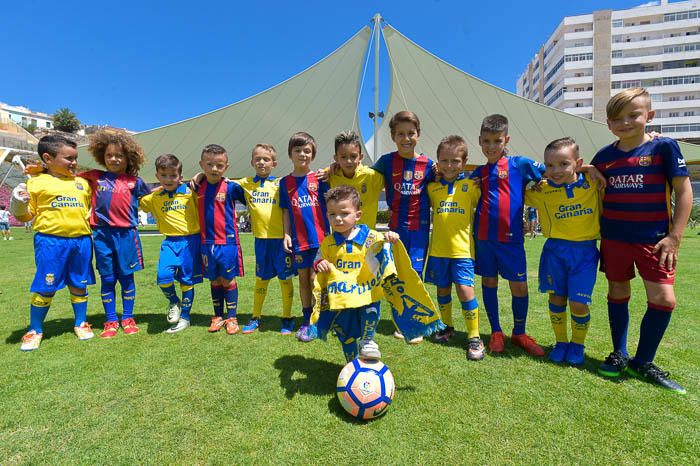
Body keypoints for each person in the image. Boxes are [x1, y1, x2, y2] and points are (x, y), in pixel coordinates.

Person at [592, 87, 691, 393]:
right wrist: (585, 168)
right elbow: (585, 179)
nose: (625, 122)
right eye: (617, 118)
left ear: (649, 116)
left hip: (655, 240)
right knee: (618, 291)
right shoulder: (604, 157)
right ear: (608, 124)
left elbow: (683, 192)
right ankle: (619, 354)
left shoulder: (664, 147)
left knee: (664, 299)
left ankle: (643, 361)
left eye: (633, 115)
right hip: (615, 238)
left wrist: (675, 236)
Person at [469, 114, 547, 356]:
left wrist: (539, 185)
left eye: (497, 141)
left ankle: (520, 333)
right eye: (486, 141)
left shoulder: (520, 164)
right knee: (489, 282)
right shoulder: (479, 172)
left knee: (519, 287)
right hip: (484, 239)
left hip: (512, 240)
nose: (491, 147)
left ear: (506, 139)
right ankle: (496, 332)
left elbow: (552, 171)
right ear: (480, 140)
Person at [11, 135, 95, 351]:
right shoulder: (35, 182)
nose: (74, 163)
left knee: (79, 284)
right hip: (50, 242)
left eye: (75, 158)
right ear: (48, 158)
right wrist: (18, 204)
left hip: (81, 241)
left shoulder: (82, 184)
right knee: (46, 286)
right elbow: (24, 217)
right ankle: (35, 330)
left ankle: (81, 323)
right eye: (68, 158)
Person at [525, 137, 601, 365]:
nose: (555, 170)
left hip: (585, 252)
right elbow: (514, 189)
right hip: (554, 251)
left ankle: (577, 344)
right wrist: (534, 180)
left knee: (578, 303)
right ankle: (561, 342)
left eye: (563, 164)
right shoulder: (542, 190)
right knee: (556, 298)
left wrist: (591, 169)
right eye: (549, 165)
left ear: (578, 163)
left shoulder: (592, 182)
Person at [314, 185, 399, 361]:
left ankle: (368, 340)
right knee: (345, 334)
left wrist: (391, 237)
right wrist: (320, 263)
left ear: (357, 215)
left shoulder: (371, 237)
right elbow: (318, 258)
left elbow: (384, 244)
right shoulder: (328, 242)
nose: (337, 219)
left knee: (371, 308)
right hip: (343, 297)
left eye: (344, 213)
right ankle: (351, 365)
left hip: (365, 291)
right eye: (332, 214)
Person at [371, 111, 436, 344]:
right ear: (392, 136)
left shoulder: (429, 165)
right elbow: (363, 177)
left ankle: (415, 323)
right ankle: (401, 321)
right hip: (395, 229)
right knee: (396, 276)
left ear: (418, 134)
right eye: (401, 134)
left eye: (411, 133)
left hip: (419, 230)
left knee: (415, 275)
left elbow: (448, 179)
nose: (406, 138)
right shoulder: (386, 162)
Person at [83, 130, 151, 338]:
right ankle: (111, 320)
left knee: (127, 278)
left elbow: (154, 199)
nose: (114, 159)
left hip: (127, 237)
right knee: (108, 279)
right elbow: (67, 177)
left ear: (128, 157)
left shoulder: (135, 182)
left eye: (119, 155)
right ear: (102, 156)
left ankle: (128, 318)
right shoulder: (94, 177)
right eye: (109, 155)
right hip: (102, 236)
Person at [425, 135, 485, 360]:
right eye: (444, 160)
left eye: (455, 161)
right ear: (438, 162)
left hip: (462, 252)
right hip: (438, 251)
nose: (449, 165)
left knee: (464, 290)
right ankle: (447, 326)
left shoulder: (471, 186)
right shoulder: (432, 189)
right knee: (442, 290)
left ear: (464, 161)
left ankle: (474, 337)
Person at [232, 144, 296, 335]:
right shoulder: (244, 183)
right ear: (252, 162)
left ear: (274, 163)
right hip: (261, 241)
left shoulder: (281, 184)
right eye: (258, 158)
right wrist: (199, 176)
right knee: (261, 279)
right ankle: (256, 316)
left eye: (266, 159)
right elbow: (221, 181)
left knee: (285, 280)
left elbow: (287, 210)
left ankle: (287, 317)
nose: (261, 162)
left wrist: (288, 234)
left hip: (281, 241)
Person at [139, 154, 202, 333]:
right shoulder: (153, 198)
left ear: (180, 176)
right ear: (157, 176)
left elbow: (204, 184)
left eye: (173, 175)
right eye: (164, 175)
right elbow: (136, 200)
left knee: (186, 281)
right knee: (164, 277)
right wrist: (151, 191)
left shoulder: (191, 193)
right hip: (169, 242)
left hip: (190, 242)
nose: (168, 179)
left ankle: (185, 318)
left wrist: (200, 176)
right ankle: (174, 301)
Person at [279, 132, 329, 342]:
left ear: (313, 154)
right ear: (290, 154)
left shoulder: (320, 178)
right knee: (303, 279)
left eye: (306, 151)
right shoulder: (285, 182)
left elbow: (330, 206)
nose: (302, 154)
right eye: (298, 150)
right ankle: (306, 318)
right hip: (299, 240)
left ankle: (321, 318)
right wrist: (286, 234)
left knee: (315, 278)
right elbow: (285, 211)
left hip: (320, 239)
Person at [196, 144, 247, 335]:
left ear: (226, 167)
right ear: (201, 164)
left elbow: (251, 198)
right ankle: (217, 316)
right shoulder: (197, 186)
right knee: (214, 280)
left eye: (219, 165)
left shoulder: (232, 187)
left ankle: (232, 318)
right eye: (209, 164)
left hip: (227, 242)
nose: (214, 169)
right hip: (206, 243)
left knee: (227, 279)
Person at [327, 131, 385, 229]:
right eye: (343, 157)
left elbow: (394, 181)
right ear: (336, 158)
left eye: (353, 156)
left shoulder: (372, 176)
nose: (348, 161)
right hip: (340, 239)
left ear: (361, 157)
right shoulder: (330, 176)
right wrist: (326, 170)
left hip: (367, 240)